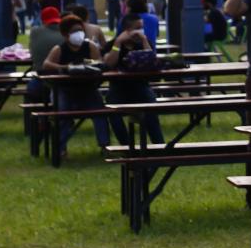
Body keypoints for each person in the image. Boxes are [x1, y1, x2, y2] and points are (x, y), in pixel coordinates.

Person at [43, 15, 130, 155]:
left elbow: (99, 63)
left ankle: (105, 146)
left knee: (100, 113)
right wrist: (65, 67)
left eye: (80, 30)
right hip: (64, 89)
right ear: (65, 35)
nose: (79, 33)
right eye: (75, 31)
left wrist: (89, 65)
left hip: (87, 89)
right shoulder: (59, 49)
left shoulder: (89, 46)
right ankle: (60, 148)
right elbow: (47, 64)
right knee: (62, 113)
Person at [102, 14, 164, 144]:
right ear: (127, 30)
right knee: (112, 112)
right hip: (118, 88)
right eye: (138, 28)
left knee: (151, 109)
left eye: (142, 27)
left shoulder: (143, 43)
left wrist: (145, 41)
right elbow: (109, 64)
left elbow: (152, 60)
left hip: (141, 86)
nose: (141, 31)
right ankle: (126, 146)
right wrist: (118, 43)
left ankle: (159, 146)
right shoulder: (113, 44)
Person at [25, 6, 65, 106]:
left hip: (41, 79)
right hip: (65, 78)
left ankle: (39, 119)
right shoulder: (67, 33)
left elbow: (32, 52)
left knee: (32, 88)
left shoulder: (35, 32)